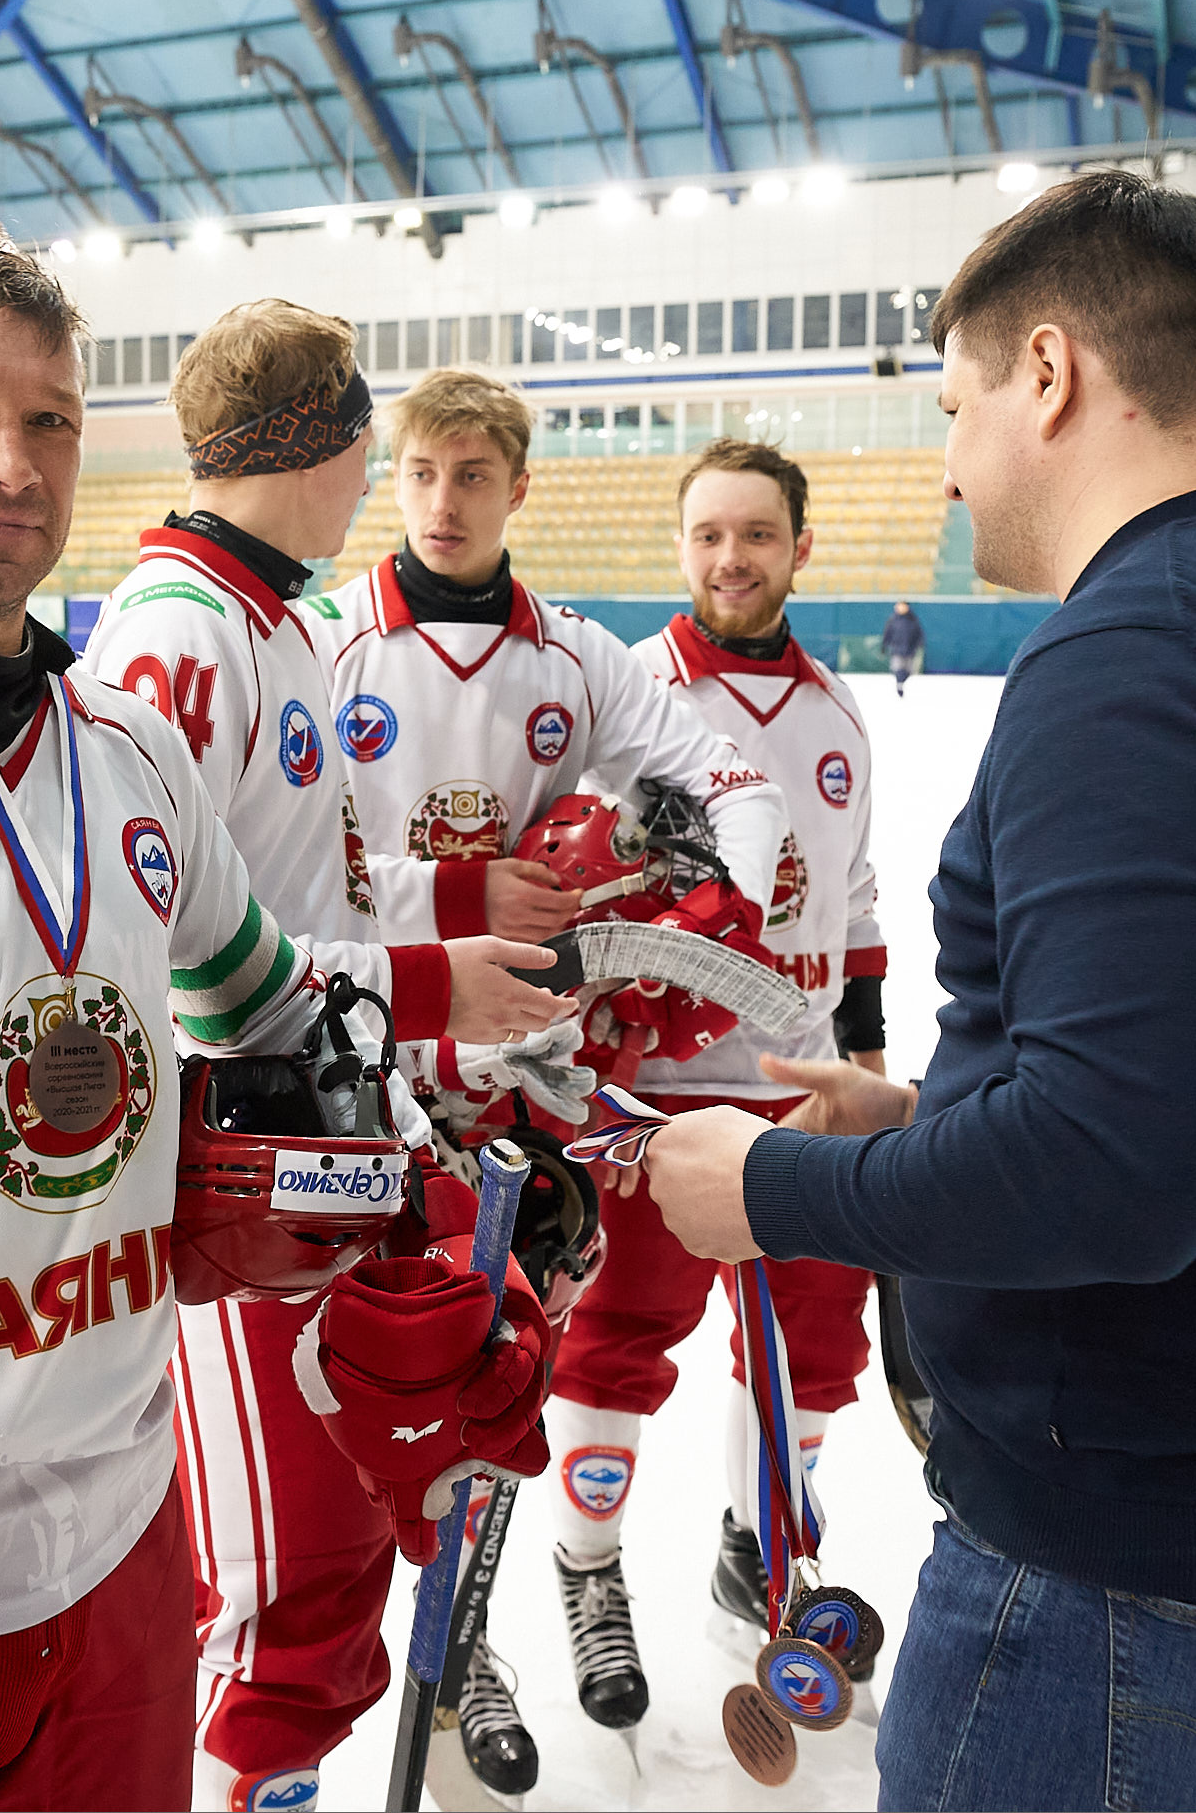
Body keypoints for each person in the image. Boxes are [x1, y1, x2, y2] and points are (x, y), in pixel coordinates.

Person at [0, 239, 570, 1812]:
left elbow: (275, 1007)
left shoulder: (126, 753)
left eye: (51, 421)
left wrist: (410, 1197)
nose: (11, 464)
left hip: (115, 1535)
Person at [634, 170, 1196, 1811]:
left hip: (1145, 1601)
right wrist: (933, 1110)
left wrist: (779, 1184)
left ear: (1045, 374)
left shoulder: (1133, 659)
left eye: (952, 405)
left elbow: (1118, 1170)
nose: (948, 464)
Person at [83, 301, 597, 1813]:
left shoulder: (276, 622)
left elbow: (321, 890)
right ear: (345, 444)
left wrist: (434, 1020)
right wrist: (434, 982)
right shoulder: (179, 631)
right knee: (280, 1582)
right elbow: (165, 936)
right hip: (232, 1172)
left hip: (327, 1137)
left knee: (366, 1523)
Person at [309, 364, 794, 1794]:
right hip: (361, 1073)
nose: (444, 504)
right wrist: (452, 892)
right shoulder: (327, 641)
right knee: (365, 1402)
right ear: (392, 482)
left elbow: (725, 783)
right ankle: (420, 1647)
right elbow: (258, 867)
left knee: (491, 1376)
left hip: (529, 1085)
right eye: (420, 476)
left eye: (473, 477)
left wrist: (712, 891)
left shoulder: (580, 659)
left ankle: (464, 1650)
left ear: (519, 488)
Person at [543, 439, 890, 1731]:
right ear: (681, 548)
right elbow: (580, 878)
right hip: (664, 1090)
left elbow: (852, 899)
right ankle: (588, 1573)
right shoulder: (634, 697)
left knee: (808, 1337)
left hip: (803, 1090)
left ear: (799, 547)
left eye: (754, 534)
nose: (728, 559)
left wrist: (862, 1052)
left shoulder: (836, 715)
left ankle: (760, 1551)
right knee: (620, 1332)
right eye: (706, 536)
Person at [879, 598, 926, 694]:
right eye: (898, 606)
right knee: (898, 668)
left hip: (909, 649)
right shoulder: (893, 620)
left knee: (908, 671)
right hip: (896, 649)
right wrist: (884, 645)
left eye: (902, 606)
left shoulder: (912, 620)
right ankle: (899, 684)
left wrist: (919, 643)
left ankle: (901, 683)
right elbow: (887, 633)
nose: (899, 608)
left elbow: (918, 633)